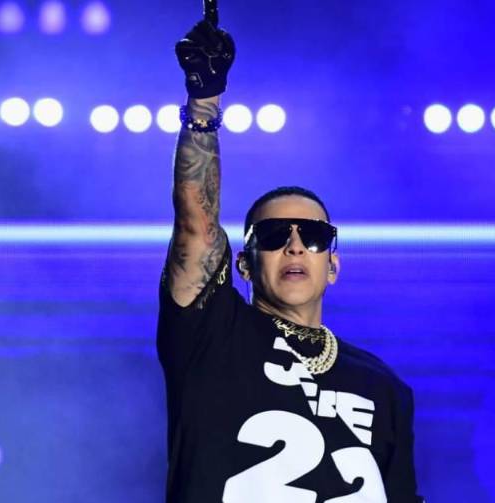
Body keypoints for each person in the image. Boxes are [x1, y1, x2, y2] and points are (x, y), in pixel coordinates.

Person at [157, 15, 424, 503]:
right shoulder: (212, 336)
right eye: (275, 235)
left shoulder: (384, 387)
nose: (296, 246)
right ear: (244, 264)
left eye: (315, 236)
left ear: (333, 266)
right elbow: (196, 225)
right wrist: (204, 104)